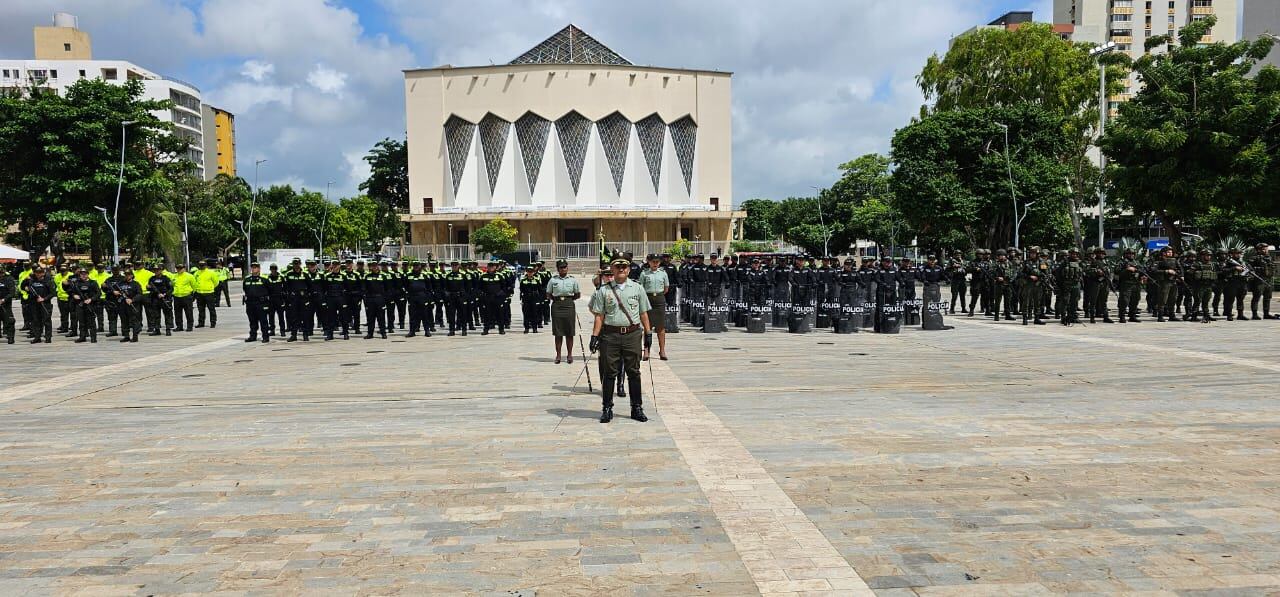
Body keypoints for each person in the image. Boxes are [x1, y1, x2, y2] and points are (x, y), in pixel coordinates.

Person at [589, 256, 652, 424]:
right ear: (612, 269)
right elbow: (599, 316)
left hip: (632, 335)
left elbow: (644, 313)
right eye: (618, 267)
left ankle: (636, 407)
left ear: (629, 269)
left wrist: (648, 333)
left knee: (634, 372)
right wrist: (594, 336)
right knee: (609, 373)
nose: (621, 269)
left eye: (624, 266)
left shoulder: (637, 288)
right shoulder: (604, 290)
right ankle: (607, 407)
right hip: (610, 335)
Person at [639, 254, 670, 360]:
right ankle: (646, 350)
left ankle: (662, 351)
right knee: (647, 327)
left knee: (661, 328)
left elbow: (666, 288)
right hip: (648, 300)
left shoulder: (663, 273)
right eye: (653, 261)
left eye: (657, 262)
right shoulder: (644, 273)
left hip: (660, 300)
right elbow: (641, 288)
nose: (655, 264)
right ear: (649, 262)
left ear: (660, 262)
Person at [21, 266, 55, 343]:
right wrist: (25, 281)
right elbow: (22, 287)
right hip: (34, 304)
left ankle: (48, 337)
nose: (39, 274)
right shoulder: (31, 280)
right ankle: (37, 337)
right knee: (36, 321)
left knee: (47, 321)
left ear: (43, 273)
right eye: (37, 272)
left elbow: (53, 293)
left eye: (40, 272)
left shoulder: (48, 281)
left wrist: (44, 299)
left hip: (45, 304)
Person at [68, 267, 101, 344]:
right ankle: (82, 337)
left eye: (85, 274)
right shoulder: (77, 283)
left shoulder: (93, 283)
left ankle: (93, 337)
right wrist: (74, 295)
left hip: (90, 305)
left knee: (91, 322)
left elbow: (99, 293)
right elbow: (70, 291)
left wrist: (91, 299)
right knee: (81, 321)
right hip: (80, 305)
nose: (83, 275)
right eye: (81, 274)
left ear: (88, 274)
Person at [242, 262, 272, 343]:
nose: (253, 269)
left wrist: (268, 304)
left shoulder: (264, 279)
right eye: (252, 267)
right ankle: (253, 336)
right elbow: (245, 289)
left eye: (255, 267)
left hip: (261, 303)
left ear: (259, 269)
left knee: (263, 321)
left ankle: (265, 336)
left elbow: (270, 291)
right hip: (250, 303)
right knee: (252, 321)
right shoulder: (247, 279)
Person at [1187, 249, 1218, 323]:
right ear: (1202, 256)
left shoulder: (1212, 265)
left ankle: (1206, 316)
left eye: (1209, 255)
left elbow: (1216, 273)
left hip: (1208, 286)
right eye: (1207, 255)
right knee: (1197, 301)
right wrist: (1197, 277)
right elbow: (1189, 274)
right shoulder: (1197, 264)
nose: (1208, 257)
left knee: (1206, 302)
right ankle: (1194, 316)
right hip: (1199, 286)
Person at [1114, 248, 1145, 323]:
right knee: (1124, 300)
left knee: (1135, 300)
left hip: (1136, 283)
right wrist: (1127, 269)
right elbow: (1117, 271)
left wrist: (1142, 276)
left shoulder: (1136, 262)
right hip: (1126, 284)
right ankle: (1122, 316)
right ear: (1125, 255)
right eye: (1129, 254)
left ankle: (1132, 316)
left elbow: (1142, 270)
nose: (1131, 255)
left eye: (1132, 254)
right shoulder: (1122, 262)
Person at [478, 261, 508, 335]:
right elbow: (479, 287)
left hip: (497, 298)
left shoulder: (500, 275)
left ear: (495, 267)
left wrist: (501, 295)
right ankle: (486, 329)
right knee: (487, 314)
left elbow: (504, 287)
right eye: (489, 266)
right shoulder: (483, 276)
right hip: (487, 297)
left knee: (499, 314)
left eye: (492, 266)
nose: (491, 268)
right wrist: (482, 296)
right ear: (487, 267)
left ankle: (501, 329)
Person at [1247, 243, 1276, 319]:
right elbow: (1248, 267)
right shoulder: (1254, 258)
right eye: (1263, 249)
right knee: (1256, 297)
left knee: (1267, 297)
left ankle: (1266, 314)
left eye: (1266, 248)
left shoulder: (1269, 257)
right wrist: (1256, 269)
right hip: (1259, 280)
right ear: (1258, 250)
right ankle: (1254, 314)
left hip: (1268, 280)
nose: (1266, 250)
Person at [405, 261, 433, 338]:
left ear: (420, 266)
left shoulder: (424, 275)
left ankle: (427, 331)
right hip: (412, 297)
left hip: (422, 297)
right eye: (414, 266)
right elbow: (406, 286)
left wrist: (428, 298)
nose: (416, 267)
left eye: (417, 266)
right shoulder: (408, 275)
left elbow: (429, 287)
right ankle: (412, 331)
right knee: (412, 315)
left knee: (424, 315)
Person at [362, 261, 389, 339]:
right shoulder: (367, 276)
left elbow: (387, 289)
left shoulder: (383, 276)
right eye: (372, 266)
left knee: (381, 317)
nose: (374, 267)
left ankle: (383, 333)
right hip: (370, 299)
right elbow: (364, 288)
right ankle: (370, 334)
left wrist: (384, 299)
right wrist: (366, 299)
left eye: (375, 266)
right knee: (370, 317)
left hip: (380, 299)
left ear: (378, 266)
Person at [146, 263, 175, 336]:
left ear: (161, 270)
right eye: (155, 270)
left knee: (167, 315)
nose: (156, 271)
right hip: (155, 299)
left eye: (158, 270)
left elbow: (171, 289)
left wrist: (164, 294)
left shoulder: (166, 278)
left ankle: (168, 329)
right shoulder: (152, 278)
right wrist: (148, 287)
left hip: (164, 299)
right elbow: (149, 288)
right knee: (155, 315)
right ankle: (157, 329)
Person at [115, 269, 143, 343]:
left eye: (128, 274)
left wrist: (132, 300)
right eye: (126, 274)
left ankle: (135, 336)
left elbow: (140, 294)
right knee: (124, 321)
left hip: (132, 305)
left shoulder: (136, 284)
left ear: (132, 275)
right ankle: (126, 336)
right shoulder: (120, 283)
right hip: (123, 305)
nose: (127, 276)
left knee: (134, 321)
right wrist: (115, 292)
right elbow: (113, 290)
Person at [1222, 247, 1248, 321]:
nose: (1238, 255)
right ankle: (1229, 314)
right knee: (1230, 300)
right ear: (1232, 254)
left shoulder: (1243, 262)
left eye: (1239, 253)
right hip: (1232, 283)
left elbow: (1250, 270)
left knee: (1240, 299)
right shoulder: (1228, 262)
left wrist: (1247, 272)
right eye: (1236, 253)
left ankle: (1240, 314)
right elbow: (1223, 271)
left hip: (1242, 283)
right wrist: (1234, 268)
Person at [194, 259, 220, 328]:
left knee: (211, 309)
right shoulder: (197, 273)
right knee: (201, 309)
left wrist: (210, 287)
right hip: (199, 293)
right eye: (200, 265)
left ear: (206, 265)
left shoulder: (211, 273)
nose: (201, 267)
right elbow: (194, 282)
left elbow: (216, 282)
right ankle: (201, 323)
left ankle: (213, 322)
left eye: (203, 265)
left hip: (209, 293)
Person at [172, 264, 196, 332]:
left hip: (186, 296)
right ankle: (179, 326)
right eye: (177, 268)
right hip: (177, 297)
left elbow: (194, 286)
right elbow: (172, 285)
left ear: (184, 268)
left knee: (188, 312)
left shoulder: (189, 276)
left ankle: (189, 326)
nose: (179, 269)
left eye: (180, 268)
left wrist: (191, 295)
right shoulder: (174, 276)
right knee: (177, 313)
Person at [519, 266, 543, 334]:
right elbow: (521, 290)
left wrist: (539, 300)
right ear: (527, 272)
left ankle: (534, 328)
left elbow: (540, 290)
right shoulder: (523, 280)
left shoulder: (536, 280)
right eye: (529, 272)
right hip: (526, 298)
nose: (530, 273)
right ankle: (526, 328)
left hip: (534, 298)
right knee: (526, 313)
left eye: (531, 272)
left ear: (533, 272)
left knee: (534, 314)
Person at [0, 264, 15, 344]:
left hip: (6, 304)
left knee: (9, 321)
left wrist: (4, 299)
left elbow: (12, 292)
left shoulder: (9, 279)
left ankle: (11, 337)